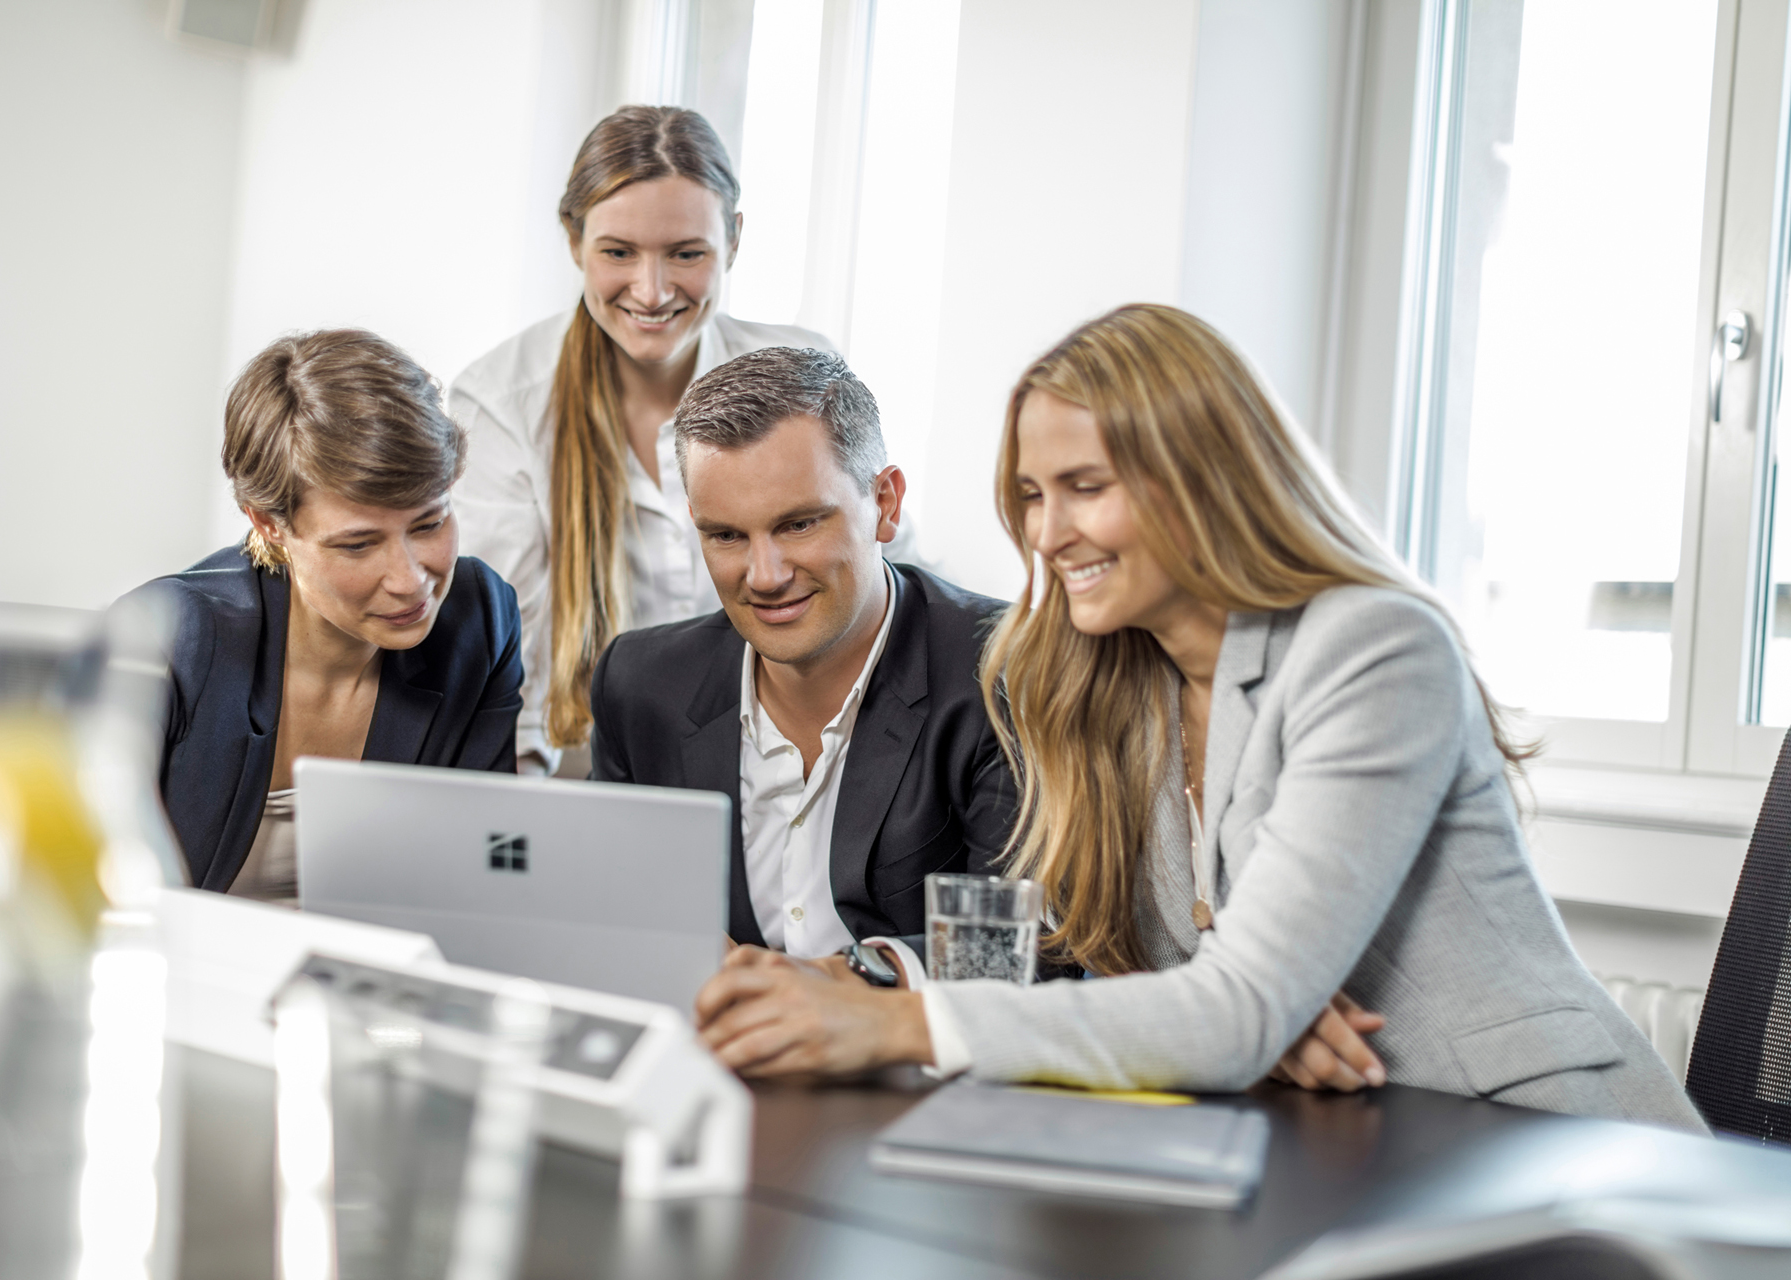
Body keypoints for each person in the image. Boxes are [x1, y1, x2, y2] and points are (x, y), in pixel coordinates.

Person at [692, 305, 1706, 1132]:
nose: (1047, 533)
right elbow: (1125, 967)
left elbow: (1229, 1008)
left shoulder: (1374, 648)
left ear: (1202, 473)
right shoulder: (1116, 682)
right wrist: (1252, 1012)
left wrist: (892, 1021)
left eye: (1086, 487)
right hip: (1352, 1143)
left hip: (1556, 1149)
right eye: (1034, 495)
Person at [587, 347, 1004, 973]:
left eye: (799, 525)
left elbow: (1029, 948)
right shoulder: (640, 683)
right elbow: (600, 908)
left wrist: (814, 986)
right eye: (725, 535)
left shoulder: (1009, 669)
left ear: (886, 503)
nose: (765, 576)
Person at [449, 105, 832, 776]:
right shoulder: (503, 402)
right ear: (574, 242)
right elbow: (510, 655)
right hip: (595, 773)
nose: (651, 292)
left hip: (787, 759)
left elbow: (881, 580)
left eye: (687, 254)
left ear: (734, 241)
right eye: (618, 253)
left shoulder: (803, 377)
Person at [135, 329, 524, 900]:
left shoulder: (480, 618)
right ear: (269, 524)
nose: (411, 579)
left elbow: (481, 875)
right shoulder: (169, 635)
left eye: (429, 523)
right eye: (358, 545)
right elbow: (83, 884)